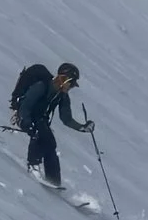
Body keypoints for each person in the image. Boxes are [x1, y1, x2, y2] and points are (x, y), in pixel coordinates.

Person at [9, 59, 91, 190]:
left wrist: (82, 127)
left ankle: (54, 180)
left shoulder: (62, 96)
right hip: (24, 116)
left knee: (50, 144)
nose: (71, 87)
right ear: (64, 79)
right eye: (71, 83)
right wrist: (26, 122)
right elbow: (25, 106)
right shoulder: (42, 86)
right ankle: (33, 165)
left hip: (39, 120)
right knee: (38, 133)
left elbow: (66, 119)